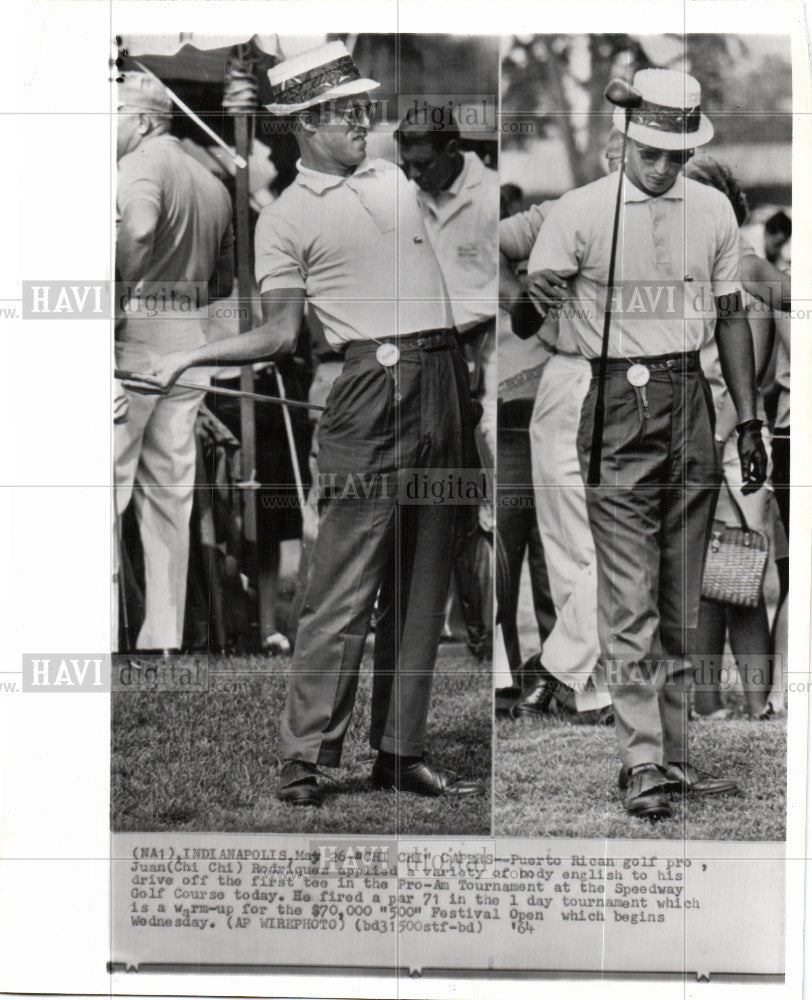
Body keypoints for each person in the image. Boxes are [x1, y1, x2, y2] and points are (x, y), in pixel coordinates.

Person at [124, 42, 484, 806]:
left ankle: (399, 752)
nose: (364, 120)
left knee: (424, 582)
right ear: (304, 125)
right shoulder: (285, 219)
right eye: (346, 112)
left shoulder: (391, 175)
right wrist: (188, 360)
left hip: (445, 380)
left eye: (362, 106)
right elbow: (280, 333)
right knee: (343, 583)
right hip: (370, 386)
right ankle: (305, 758)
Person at [526, 69, 768, 819]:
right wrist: (532, 297)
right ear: (626, 136)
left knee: (679, 594)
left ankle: (670, 755)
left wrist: (751, 419)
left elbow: (731, 319)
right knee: (627, 592)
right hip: (616, 404)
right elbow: (526, 315)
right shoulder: (580, 210)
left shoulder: (714, 213)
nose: (663, 167)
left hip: (692, 399)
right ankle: (639, 763)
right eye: (651, 151)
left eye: (676, 153)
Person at [114, 71, 234, 652]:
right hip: (189, 336)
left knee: (105, 486)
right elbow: (225, 284)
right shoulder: (212, 180)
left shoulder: (140, 162)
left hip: (136, 330)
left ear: (143, 119)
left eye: (112, 112)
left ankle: (102, 635)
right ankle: (161, 639)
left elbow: (137, 226)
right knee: (169, 495)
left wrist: (116, 297)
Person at [686, 157, 790, 720]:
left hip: (732, 445)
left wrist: (722, 438)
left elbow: (744, 375)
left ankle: (750, 703)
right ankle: (709, 703)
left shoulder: (744, 267)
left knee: (741, 577)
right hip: (702, 437)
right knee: (706, 581)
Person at [396, 106, 499, 660]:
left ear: (453, 149)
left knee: (481, 501)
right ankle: (439, 622)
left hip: (486, 359)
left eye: (422, 164)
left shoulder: (491, 198)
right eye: (405, 164)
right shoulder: (403, 194)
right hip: (426, 362)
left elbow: (506, 286)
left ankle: (485, 627)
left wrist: (469, 342)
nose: (414, 174)